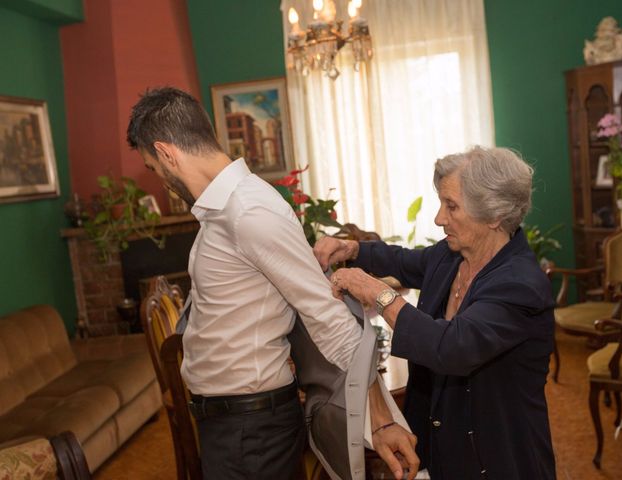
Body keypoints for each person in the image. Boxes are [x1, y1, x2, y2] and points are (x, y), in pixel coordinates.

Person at [125, 87, 419, 480]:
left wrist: (381, 420)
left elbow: (327, 316)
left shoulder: (249, 212)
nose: (160, 179)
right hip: (234, 426)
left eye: (154, 167)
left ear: (166, 152)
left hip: (250, 432)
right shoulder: (224, 210)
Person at [314, 146, 556, 479]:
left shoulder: (520, 285)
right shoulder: (451, 254)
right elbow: (404, 261)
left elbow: (451, 347)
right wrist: (352, 248)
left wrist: (374, 290)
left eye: (451, 206)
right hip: (442, 451)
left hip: (499, 459)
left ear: (494, 214)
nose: (439, 218)